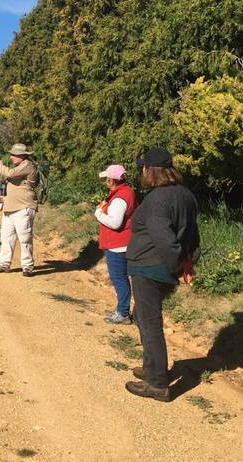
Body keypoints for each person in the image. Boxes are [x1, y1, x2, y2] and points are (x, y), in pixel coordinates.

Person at [125, 148, 200, 402]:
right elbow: (192, 235)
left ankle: (158, 384)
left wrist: (178, 266)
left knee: (149, 322)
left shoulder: (157, 199)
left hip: (150, 268)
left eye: (142, 167)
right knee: (142, 316)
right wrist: (189, 262)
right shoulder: (186, 195)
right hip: (159, 267)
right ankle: (151, 367)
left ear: (149, 169)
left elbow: (165, 240)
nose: (141, 172)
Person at [94, 165, 137, 325]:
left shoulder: (120, 198)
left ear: (112, 180)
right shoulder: (127, 192)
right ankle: (122, 310)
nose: (106, 181)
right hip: (124, 242)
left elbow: (115, 223)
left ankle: (123, 313)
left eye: (107, 178)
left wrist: (98, 214)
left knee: (119, 279)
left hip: (117, 244)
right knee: (122, 279)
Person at [0, 143, 38, 277]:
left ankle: (27, 266)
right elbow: (14, 187)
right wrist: (0, 198)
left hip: (23, 208)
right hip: (10, 208)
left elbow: (9, 173)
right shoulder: (19, 167)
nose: (11, 157)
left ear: (22, 155)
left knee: (25, 238)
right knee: (6, 237)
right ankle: (4, 264)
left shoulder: (27, 165)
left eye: (13, 154)